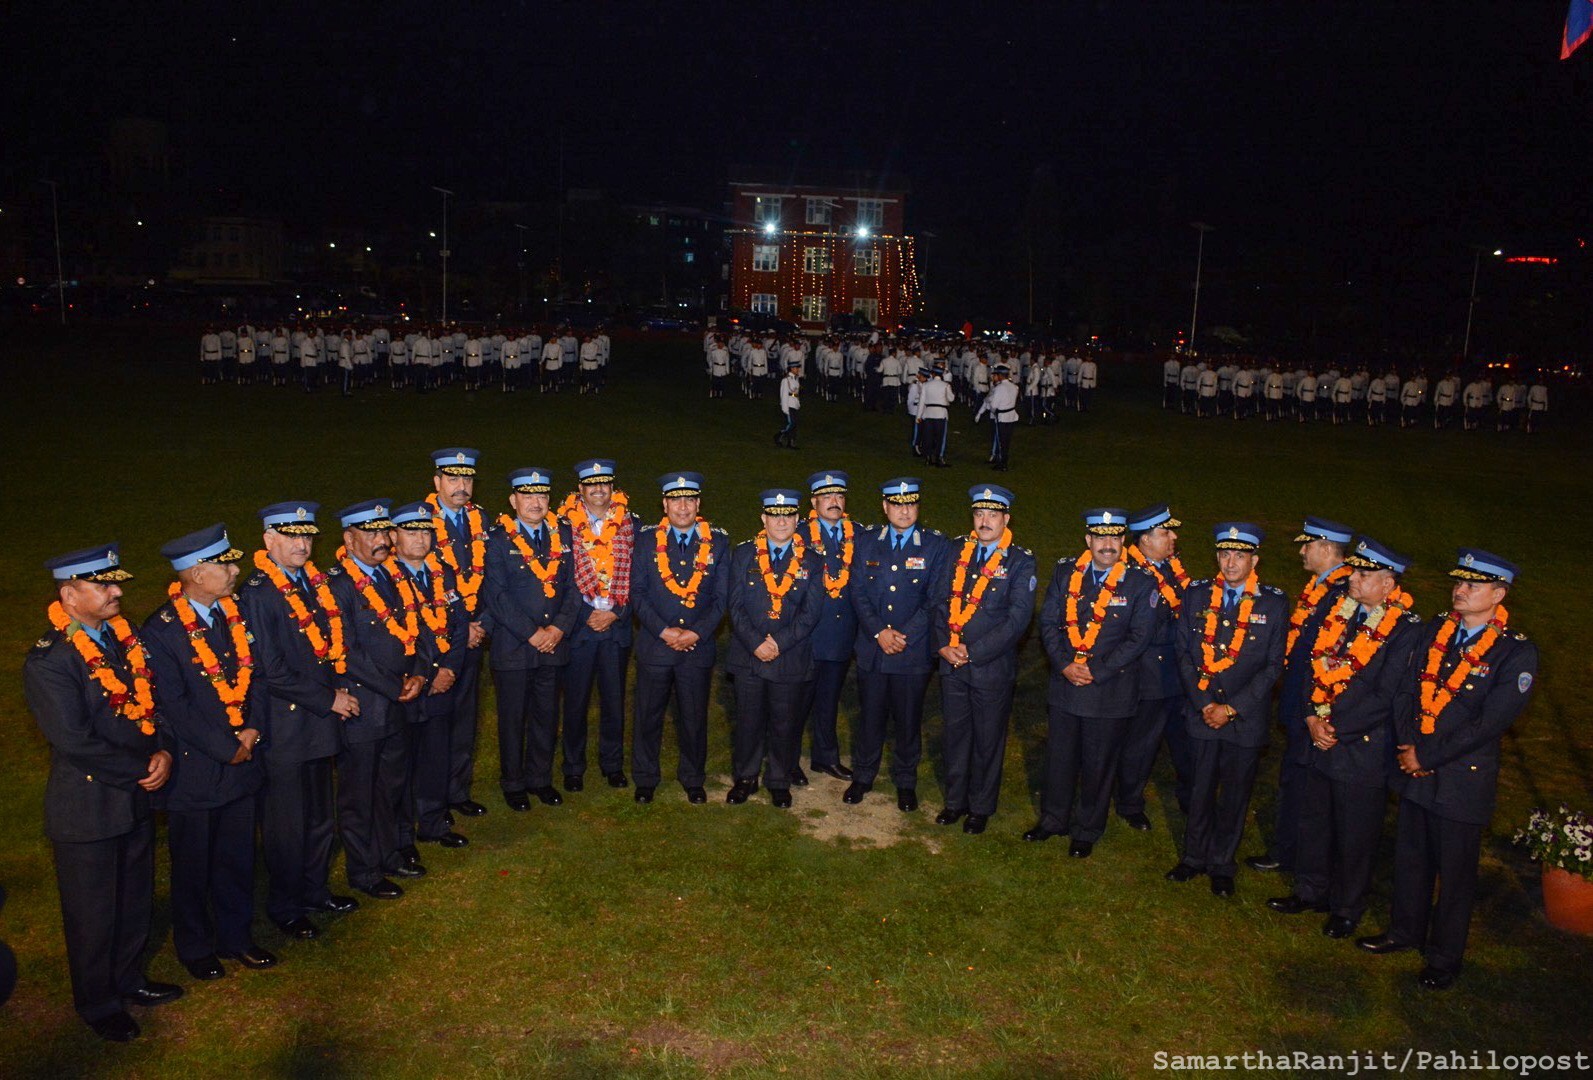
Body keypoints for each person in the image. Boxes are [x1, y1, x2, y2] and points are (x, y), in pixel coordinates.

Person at [1357, 548, 1537, 991]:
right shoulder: (1436, 630)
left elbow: (1489, 722)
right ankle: (1404, 931)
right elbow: (1405, 689)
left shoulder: (1515, 653)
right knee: (1411, 858)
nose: (1460, 590)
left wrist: (1427, 756)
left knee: (1455, 873)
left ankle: (1444, 956)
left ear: (1498, 595)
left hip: (1460, 778)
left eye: (1472, 585)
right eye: (1458, 582)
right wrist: (1409, 745)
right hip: (1416, 763)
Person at [24, 544, 182, 1042]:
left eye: (116, 583)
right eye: (104, 585)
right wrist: (142, 768)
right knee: (92, 914)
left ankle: (130, 979)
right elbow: (74, 740)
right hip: (88, 807)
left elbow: (150, 704)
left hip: (134, 797)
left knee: (134, 899)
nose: (117, 592)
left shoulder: (121, 638)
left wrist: (164, 751)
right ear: (69, 596)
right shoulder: (51, 660)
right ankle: (97, 1002)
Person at [1267, 537, 1423, 940]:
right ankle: (1310, 890)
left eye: (1364, 575)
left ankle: (1347, 906)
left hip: (1360, 748)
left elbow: (1387, 693)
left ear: (1388, 584)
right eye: (1354, 572)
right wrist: (1310, 716)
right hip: (1319, 736)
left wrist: (1335, 728)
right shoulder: (1339, 609)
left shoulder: (1405, 630)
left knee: (1356, 833)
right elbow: (1311, 665)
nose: (1353, 579)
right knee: (1314, 820)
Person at [143, 524, 275, 982]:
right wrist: (226, 748)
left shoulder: (233, 614)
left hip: (243, 759)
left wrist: (252, 729)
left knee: (237, 858)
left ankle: (237, 937)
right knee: (193, 865)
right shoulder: (161, 631)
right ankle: (195, 946)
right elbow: (173, 706)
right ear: (198, 574)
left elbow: (257, 676)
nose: (235, 570)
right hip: (197, 772)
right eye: (225, 564)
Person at [236, 502, 359, 941]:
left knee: (320, 815)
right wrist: (329, 699)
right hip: (286, 726)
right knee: (287, 823)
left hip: (319, 722)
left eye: (307, 536)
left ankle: (315, 890)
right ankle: (286, 905)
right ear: (269, 540)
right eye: (292, 537)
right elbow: (270, 669)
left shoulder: (313, 581)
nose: (302, 545)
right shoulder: (258, 592)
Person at [1163, 523, 1287, 897]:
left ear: (1254, 561)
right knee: (1199, 788)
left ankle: (1221, 864)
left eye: (1239, 556)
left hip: (1243, 719)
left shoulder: (1273, 603)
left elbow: (1272, 666)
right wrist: (1204, 704)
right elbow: (1183, 653)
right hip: (1202, 711)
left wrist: (1231, 708)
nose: (1231, 563)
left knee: (1234, 794)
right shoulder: (1197, 595)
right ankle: (1193, 858)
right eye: (1225, 554)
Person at [1030, 509, 1156, 856]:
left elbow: (1139, 637)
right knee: (1059, 758)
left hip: (1109, 690)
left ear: (1123, 540)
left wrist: (1096, 671)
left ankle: (1087, 828)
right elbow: (1049, 623)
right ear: (1088, 540)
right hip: (1066, 684)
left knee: (1098, 764)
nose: (1107, 544)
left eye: (1114, 537)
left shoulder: (1140, 582)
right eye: (1100, 537)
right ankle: (1053, 820)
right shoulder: (1066, 572)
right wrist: (1064, 665)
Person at [328, 500, 427, 900]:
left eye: (384, 532)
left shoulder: (392, 574)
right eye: (370, 533)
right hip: (363, 706)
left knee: (390, 785)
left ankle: (388, 855)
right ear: (349, 539)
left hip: (396, 701)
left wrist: (419, 672)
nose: (382, 540)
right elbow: (345, 650)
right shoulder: (338, 585)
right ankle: (364, 870)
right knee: (360, 794)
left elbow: (413, 630)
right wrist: (392, 686)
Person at [1247, 517, 1355, 875]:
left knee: (1306, 784)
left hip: (1316, 709)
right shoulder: (1323, 587)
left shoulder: (1343, 594)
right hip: (1302, 704)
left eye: (1307, 545)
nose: (1301, 551)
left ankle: (1297, 855)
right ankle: (1290, 849)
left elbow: (1326, 657)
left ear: (1327, 548)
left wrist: (1313, 710)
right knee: (1295, 778)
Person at [931, 485, 1037, 834]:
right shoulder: (956, 550)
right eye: (979, 514)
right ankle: (954, 801)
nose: (985, 521)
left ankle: (980, 806)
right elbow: (938, 599)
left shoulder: (1020, 561)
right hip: (951, 663)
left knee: (988, 740)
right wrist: (943, 644)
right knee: (955, 734)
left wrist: (973, 652)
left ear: (1006, 519)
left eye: (993, 515)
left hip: (990, 667)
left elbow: (1017, 620)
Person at [846, 478, 948, 811]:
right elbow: (857, 591)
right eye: (897, 505)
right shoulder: (866, 541)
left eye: (910, 505)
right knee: (870, 718)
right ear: (885, 507)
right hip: (873, 648)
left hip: (912, 651)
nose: (904, 511)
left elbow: (936, 598)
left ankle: (906, 781)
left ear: (918, 507)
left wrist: (903, 635)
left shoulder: (935, 545)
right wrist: (879, 632)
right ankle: (863, 776)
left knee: (907, 721)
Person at [630, 472, 731, 803]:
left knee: (693, 717)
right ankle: (646, 778)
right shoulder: (646, 541)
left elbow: (721, 599)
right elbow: (637, 593)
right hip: (656, 645)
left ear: (698, 503)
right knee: (648, 715)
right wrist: (664, 630)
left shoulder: (718, 542)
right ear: (665, 504)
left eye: (689, 500)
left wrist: (696, 632)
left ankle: (692, 778)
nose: (683, 507)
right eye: (676, 500)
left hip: (696, 648)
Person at [485, 468, 582, 810]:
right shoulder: (497, 540)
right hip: (514, 646)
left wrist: (559, 629)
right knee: (513, 719)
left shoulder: (564, 535)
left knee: (546, 715)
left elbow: (575, 587)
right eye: (527, 496)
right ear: (513, 500)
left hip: (554, 643)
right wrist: (532, 633)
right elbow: (496, 595)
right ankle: (513, 783)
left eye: (541, 496)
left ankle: (540, 779)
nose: (536, 503)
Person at [726, 489, 824, 808]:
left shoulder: (812, 560)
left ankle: (779, 780)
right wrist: (756, 643)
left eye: (788, 516)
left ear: (797, 519)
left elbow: (811, 613)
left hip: (790, 655)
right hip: (749, 654)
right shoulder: (744, 554)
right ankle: (745, 777)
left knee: (785, 721)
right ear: (764, 518)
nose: (781, 522)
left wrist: (779, 643)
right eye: (775, 516)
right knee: (748, 720)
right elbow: (734, 606)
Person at [385, 503, 472, 861]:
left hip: (442, 682)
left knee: (437, 755)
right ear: (394, 536)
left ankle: (434, 822)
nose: (420, 539)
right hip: (407, 685)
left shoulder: (444, 573)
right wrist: (427, 673)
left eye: (425, 532)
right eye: (411, 532)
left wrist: (449, 669)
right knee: (402, 764)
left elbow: (459, 625)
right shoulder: (385, 579)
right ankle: (402, 835)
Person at [557, 458, 638, 789]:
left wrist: (617, 612)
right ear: (580, 489)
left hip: (616, 627)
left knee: (614, 701)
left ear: (612, 487)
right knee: (575, 702)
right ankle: (573, 767)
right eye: (591, 484)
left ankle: (612, 764)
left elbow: (641, 576)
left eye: (604, 483)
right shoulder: (563, 526)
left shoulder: (631, 524)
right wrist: (584, 614)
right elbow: (559, 579)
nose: (598, 489)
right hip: (579, 627)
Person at [424, 448, 491, 819]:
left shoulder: (480, 519)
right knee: (436, 723)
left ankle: (458, 791)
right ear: (437, 481)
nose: (461, 485)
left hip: (475, 635)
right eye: (453, 478)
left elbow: (492, 579)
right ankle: (432, 799)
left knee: (466, 719)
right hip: (439, 640)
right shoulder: (420, 524)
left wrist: (483, 624)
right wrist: (460, 629)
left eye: (467, 478)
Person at [1118, 504, 1194, 825]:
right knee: (1142, 743)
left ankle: (1192, 799)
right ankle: (1129, 804)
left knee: (1187, 742)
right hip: (1150, 675)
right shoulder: (1132, 575)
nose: (1173, 537)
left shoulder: (1171, 567)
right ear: (1145, 540)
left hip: (1180, 674)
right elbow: (1142, 630)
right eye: (1165, 532)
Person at [796, 471, 861, 785]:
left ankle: (826, 757)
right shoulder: (797, 533)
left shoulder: (858, 534)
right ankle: (788, 759)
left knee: (828, 700)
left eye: (839, 496)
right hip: (805, 635)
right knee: (796, 702)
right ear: (814, 502)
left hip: (839, 632)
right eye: (827, 497)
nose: (834, 502)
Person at [974, 365, 1020, 471]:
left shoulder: (999, 388)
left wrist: (990, 407)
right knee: (1007, 441)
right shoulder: (1014, 386)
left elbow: (994, 405)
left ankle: (1002, 463)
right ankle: (1004, 461)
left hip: (1002, 417)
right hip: (1011, 416)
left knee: (1000, 441)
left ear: (1000, 375)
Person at [915, 362, 955, 467]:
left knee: (928, 437)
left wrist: (918, 416)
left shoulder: (926, 385)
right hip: (941, 413)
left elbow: (922, 402)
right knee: (940, 438)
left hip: (928, 413)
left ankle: (928, 458)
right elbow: (951, 398)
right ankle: (939, 458)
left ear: (932, 374)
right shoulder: (945, 385)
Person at [776, 360, 802, 448]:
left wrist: (798, 403)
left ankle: (791, 442)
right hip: (789, 404)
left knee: (794, 424)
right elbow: (783, 394)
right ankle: (779, 435)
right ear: (791, 369)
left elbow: (796, 393)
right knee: (791, 423)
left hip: (794, 403)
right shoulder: (786, 380)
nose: (798, 370)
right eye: (796, 368)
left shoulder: (796, 379)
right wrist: (785, 408)